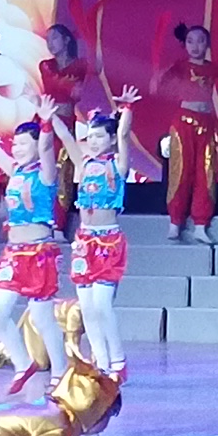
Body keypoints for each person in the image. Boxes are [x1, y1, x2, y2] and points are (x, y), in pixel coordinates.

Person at [63, 89, 146, 379]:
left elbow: (124, 135)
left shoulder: (117, 166)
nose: (95, 142)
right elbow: (65, 139)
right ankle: (100, 361)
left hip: (108, 241)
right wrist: (50, 120)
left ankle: (118, 361)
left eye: (100, 136)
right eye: (91, 137)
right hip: (84, 242)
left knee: (102, 305)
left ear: (109, 139)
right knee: (87, 308)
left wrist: (126, 110)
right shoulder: (83, 165)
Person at [0, 119, 67, 392]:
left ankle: (60, 371)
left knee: (43, 319)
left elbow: (47, 147)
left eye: (23, 143)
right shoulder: (15, 171)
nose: (17, 148)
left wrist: (46, 125)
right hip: (13, 254)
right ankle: (23, 364)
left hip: (39, 253)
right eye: (15, 143)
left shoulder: (46, 174)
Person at [157, 24, 218, 244]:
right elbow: (160, 85)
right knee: (181, 171)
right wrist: (157, 79)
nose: (195, 46)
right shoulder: (180, 66)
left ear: (207, 44)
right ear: (185, 45)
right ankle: (175, 221)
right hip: (183, 123)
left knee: (205, 173)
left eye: (200, 41)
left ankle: (201, 224)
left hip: (207, 124)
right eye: (190, 41)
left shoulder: (214, 68)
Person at [37, 22, 92, 225]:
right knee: (43, 169)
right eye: (47, 39)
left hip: (66, 123)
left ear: (67, 40)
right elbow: (58, 85)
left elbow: (85, 86)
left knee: (63, 172)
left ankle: (59, 224)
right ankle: (42, 219)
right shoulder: (46, 66)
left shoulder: (81, 66)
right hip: (46, 123)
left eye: (54, 38)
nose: (50, 43)